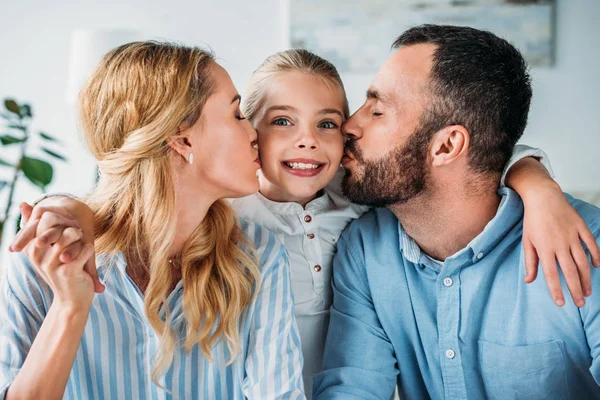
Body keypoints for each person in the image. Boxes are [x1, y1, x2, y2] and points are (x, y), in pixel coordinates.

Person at [11, 46, 599, 399]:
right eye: (250, 116)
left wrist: (536, 184)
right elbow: (126, 200)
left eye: (335, 121)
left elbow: (462, 166)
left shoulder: (339, 209)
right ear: (180, 138)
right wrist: (77, 216)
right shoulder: (240, 217)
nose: (338, 135)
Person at [0, 41, 305, 399]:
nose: (254, 134)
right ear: (182, 138)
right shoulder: (44, 261)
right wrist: (70, 306)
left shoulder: (257, 256)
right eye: (237, 115)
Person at [314, 25, 600, 399]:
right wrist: (535, 178)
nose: (350, 125)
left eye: (378, 111)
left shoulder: (584, 243)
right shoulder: (367, 249)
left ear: (447, 145)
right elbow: (354, 389)